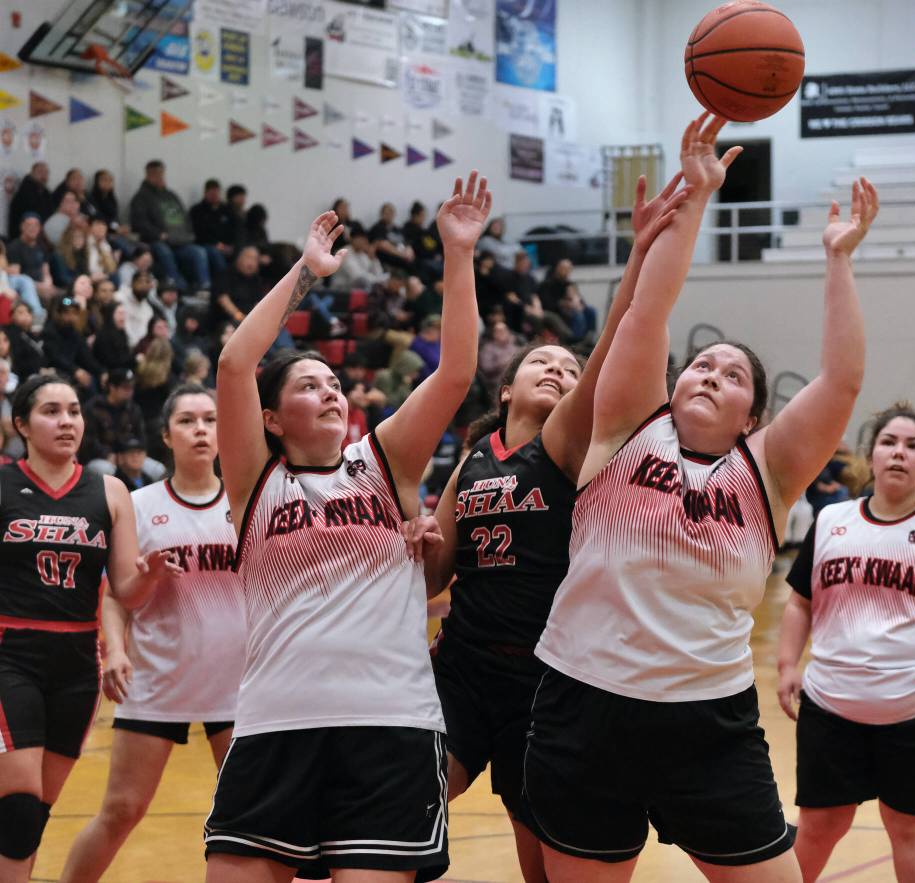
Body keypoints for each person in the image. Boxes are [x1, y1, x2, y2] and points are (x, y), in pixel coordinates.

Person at [519, 114, 879, 883]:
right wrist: (699, 199)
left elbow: (842, 382)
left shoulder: (768, 471)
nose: (712, 373)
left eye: (734, 374)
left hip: (708, 720)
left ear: (753, 415)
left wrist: (838, 261)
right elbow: (646, 314)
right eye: (702, 365)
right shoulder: (624, 429)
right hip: (587, 702)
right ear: (674, 382)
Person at [205, 172, 491, 881]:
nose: (329, 390)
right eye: (308, 385)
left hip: (389, 722)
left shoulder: (385, 460)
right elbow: (237, 361)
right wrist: (305, 272)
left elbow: (456, 372)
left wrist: (458, 254)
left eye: (333, 383)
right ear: (272, 418)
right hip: (275, 722)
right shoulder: (255, 481)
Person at [425, 170, 690, 883]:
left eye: (568, 369)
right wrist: (417, 546)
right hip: (463, 665)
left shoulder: (568, 443)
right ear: (505, 386)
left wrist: (638, 255)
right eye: (542, 361)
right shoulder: (474, 457)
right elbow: (433, 577)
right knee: (402, 803)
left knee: (539, 863)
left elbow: (612, 345)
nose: (560, 370)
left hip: (547, 675)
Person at [776, 403, 915, 883]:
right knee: (820, 824)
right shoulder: (832, 520)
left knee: (909, 825)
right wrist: (788, 664)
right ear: (870, 457)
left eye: (913, 446)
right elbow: (799, 603)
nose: (900, 453)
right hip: (830, 705)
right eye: (889, 443)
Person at [59, 385, 245, 883]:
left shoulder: (249, 502)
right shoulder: (138, 506)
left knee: (252, 822)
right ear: (166, 435)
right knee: (121, 810)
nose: (201, 429)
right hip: (159, 680)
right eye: (187, 421)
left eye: (209, 419)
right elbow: (118, 595)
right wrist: (115, 650)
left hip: (239, 686)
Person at [0, 374, 180, 881]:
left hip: (78, 661)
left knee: (33, 815)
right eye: (51, 412)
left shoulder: (110, 491)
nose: (66, 422)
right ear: (22, 425)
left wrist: (151, 577)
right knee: (16, 803)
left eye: (74, 411)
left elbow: (125, 592)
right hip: (10, 651)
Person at [129, 160, 212, 293]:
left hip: (180, 241)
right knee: (164, 252)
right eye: (156, 174)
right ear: (148, 175)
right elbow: (139, 223)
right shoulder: (140, 198)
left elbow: (185, 218)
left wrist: (189, 235)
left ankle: (204, 287)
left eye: (161, 174)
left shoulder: (171, 196)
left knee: (198, 252)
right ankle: (178, 286)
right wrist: (158, 234)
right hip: (156, 241)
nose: (160, 177)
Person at [6, 215, 57, 303]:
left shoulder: (42, 246)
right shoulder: (14, 247)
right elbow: (16, 277)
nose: (32, 228)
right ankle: (39, 315)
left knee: (65, 299)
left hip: (43, 286)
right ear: (22, 226)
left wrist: (47, 284)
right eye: (29, 225)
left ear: (40, 228)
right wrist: (39, 286)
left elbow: (46, 272)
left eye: (36, 225)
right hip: (26, 289)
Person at [7, 162, 51, 239]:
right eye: (40, 172)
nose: (43, 176)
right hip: (22, 237)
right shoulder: (25, 192)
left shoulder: (45, 192)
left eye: (46, 173)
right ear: (32, 174)